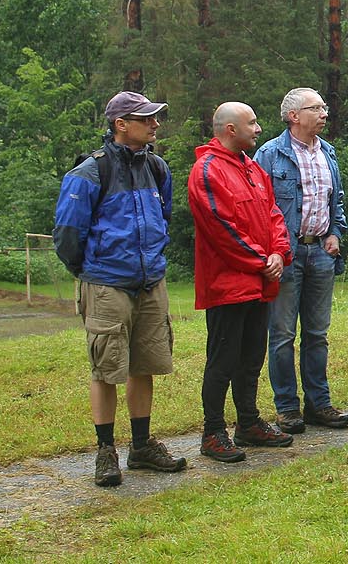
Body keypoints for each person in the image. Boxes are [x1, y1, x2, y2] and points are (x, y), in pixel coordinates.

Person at [54, 91, 187, 487]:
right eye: (146, 119)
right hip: (106, 284)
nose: (155, 125)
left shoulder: (158, 168)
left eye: (155, 118)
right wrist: (92, 271)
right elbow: (67, 235)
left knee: (145, 364)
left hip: (149, 282)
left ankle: (142, 446)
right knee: (107, 368)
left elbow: (163, 215)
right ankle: (105, 450)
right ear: (120, 125)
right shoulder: (89, 173)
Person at [188, 102, 295, 462]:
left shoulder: (251, 168)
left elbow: (273, 213)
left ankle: (248, 423)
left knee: (252, 356)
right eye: (251, 123)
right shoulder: (207, 170)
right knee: (223, 358)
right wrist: (260, 260)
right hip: (227, 285)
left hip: (260, 281)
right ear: (230, 129)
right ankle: (213, 432)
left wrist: (279, 252)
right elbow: (220, 227)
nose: (259, 128)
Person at [252, 88, 348, 435]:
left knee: (317, 334)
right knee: (281, 334)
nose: (324, 112)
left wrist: (335, 233)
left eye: (325, 106)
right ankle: (287, 408)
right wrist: (273, 251)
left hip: (322, 254)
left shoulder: (328, 152)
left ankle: (319, 404)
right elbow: (258, 208)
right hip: (286, 254)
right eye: (316, 108)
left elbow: (335, 200)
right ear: (293, 116)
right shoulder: (269, 154)